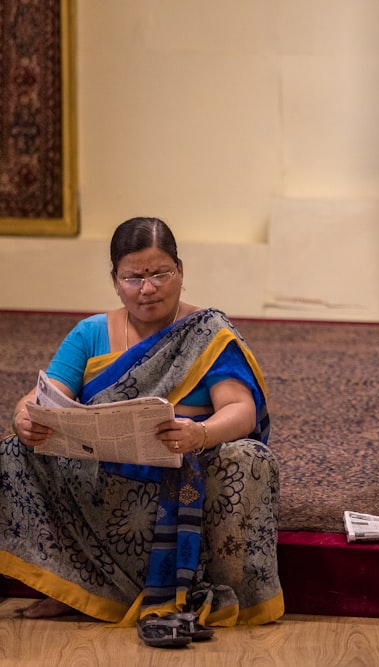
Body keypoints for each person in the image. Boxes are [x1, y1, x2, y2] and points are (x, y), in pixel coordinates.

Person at [2, 216, 283, 648]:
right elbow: (44, 396)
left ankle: (227, 593)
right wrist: (24, 416)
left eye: (159, 274)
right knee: (12, 453)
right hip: (102, 485)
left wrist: (200, 434)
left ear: (181, 272)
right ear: (115, 281)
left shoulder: (208, 334)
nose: (147, 288)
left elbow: (241, 410)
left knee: (250, 459)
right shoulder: (91, 333)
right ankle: (76, 585)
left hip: (183, 478)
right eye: (133, 277)